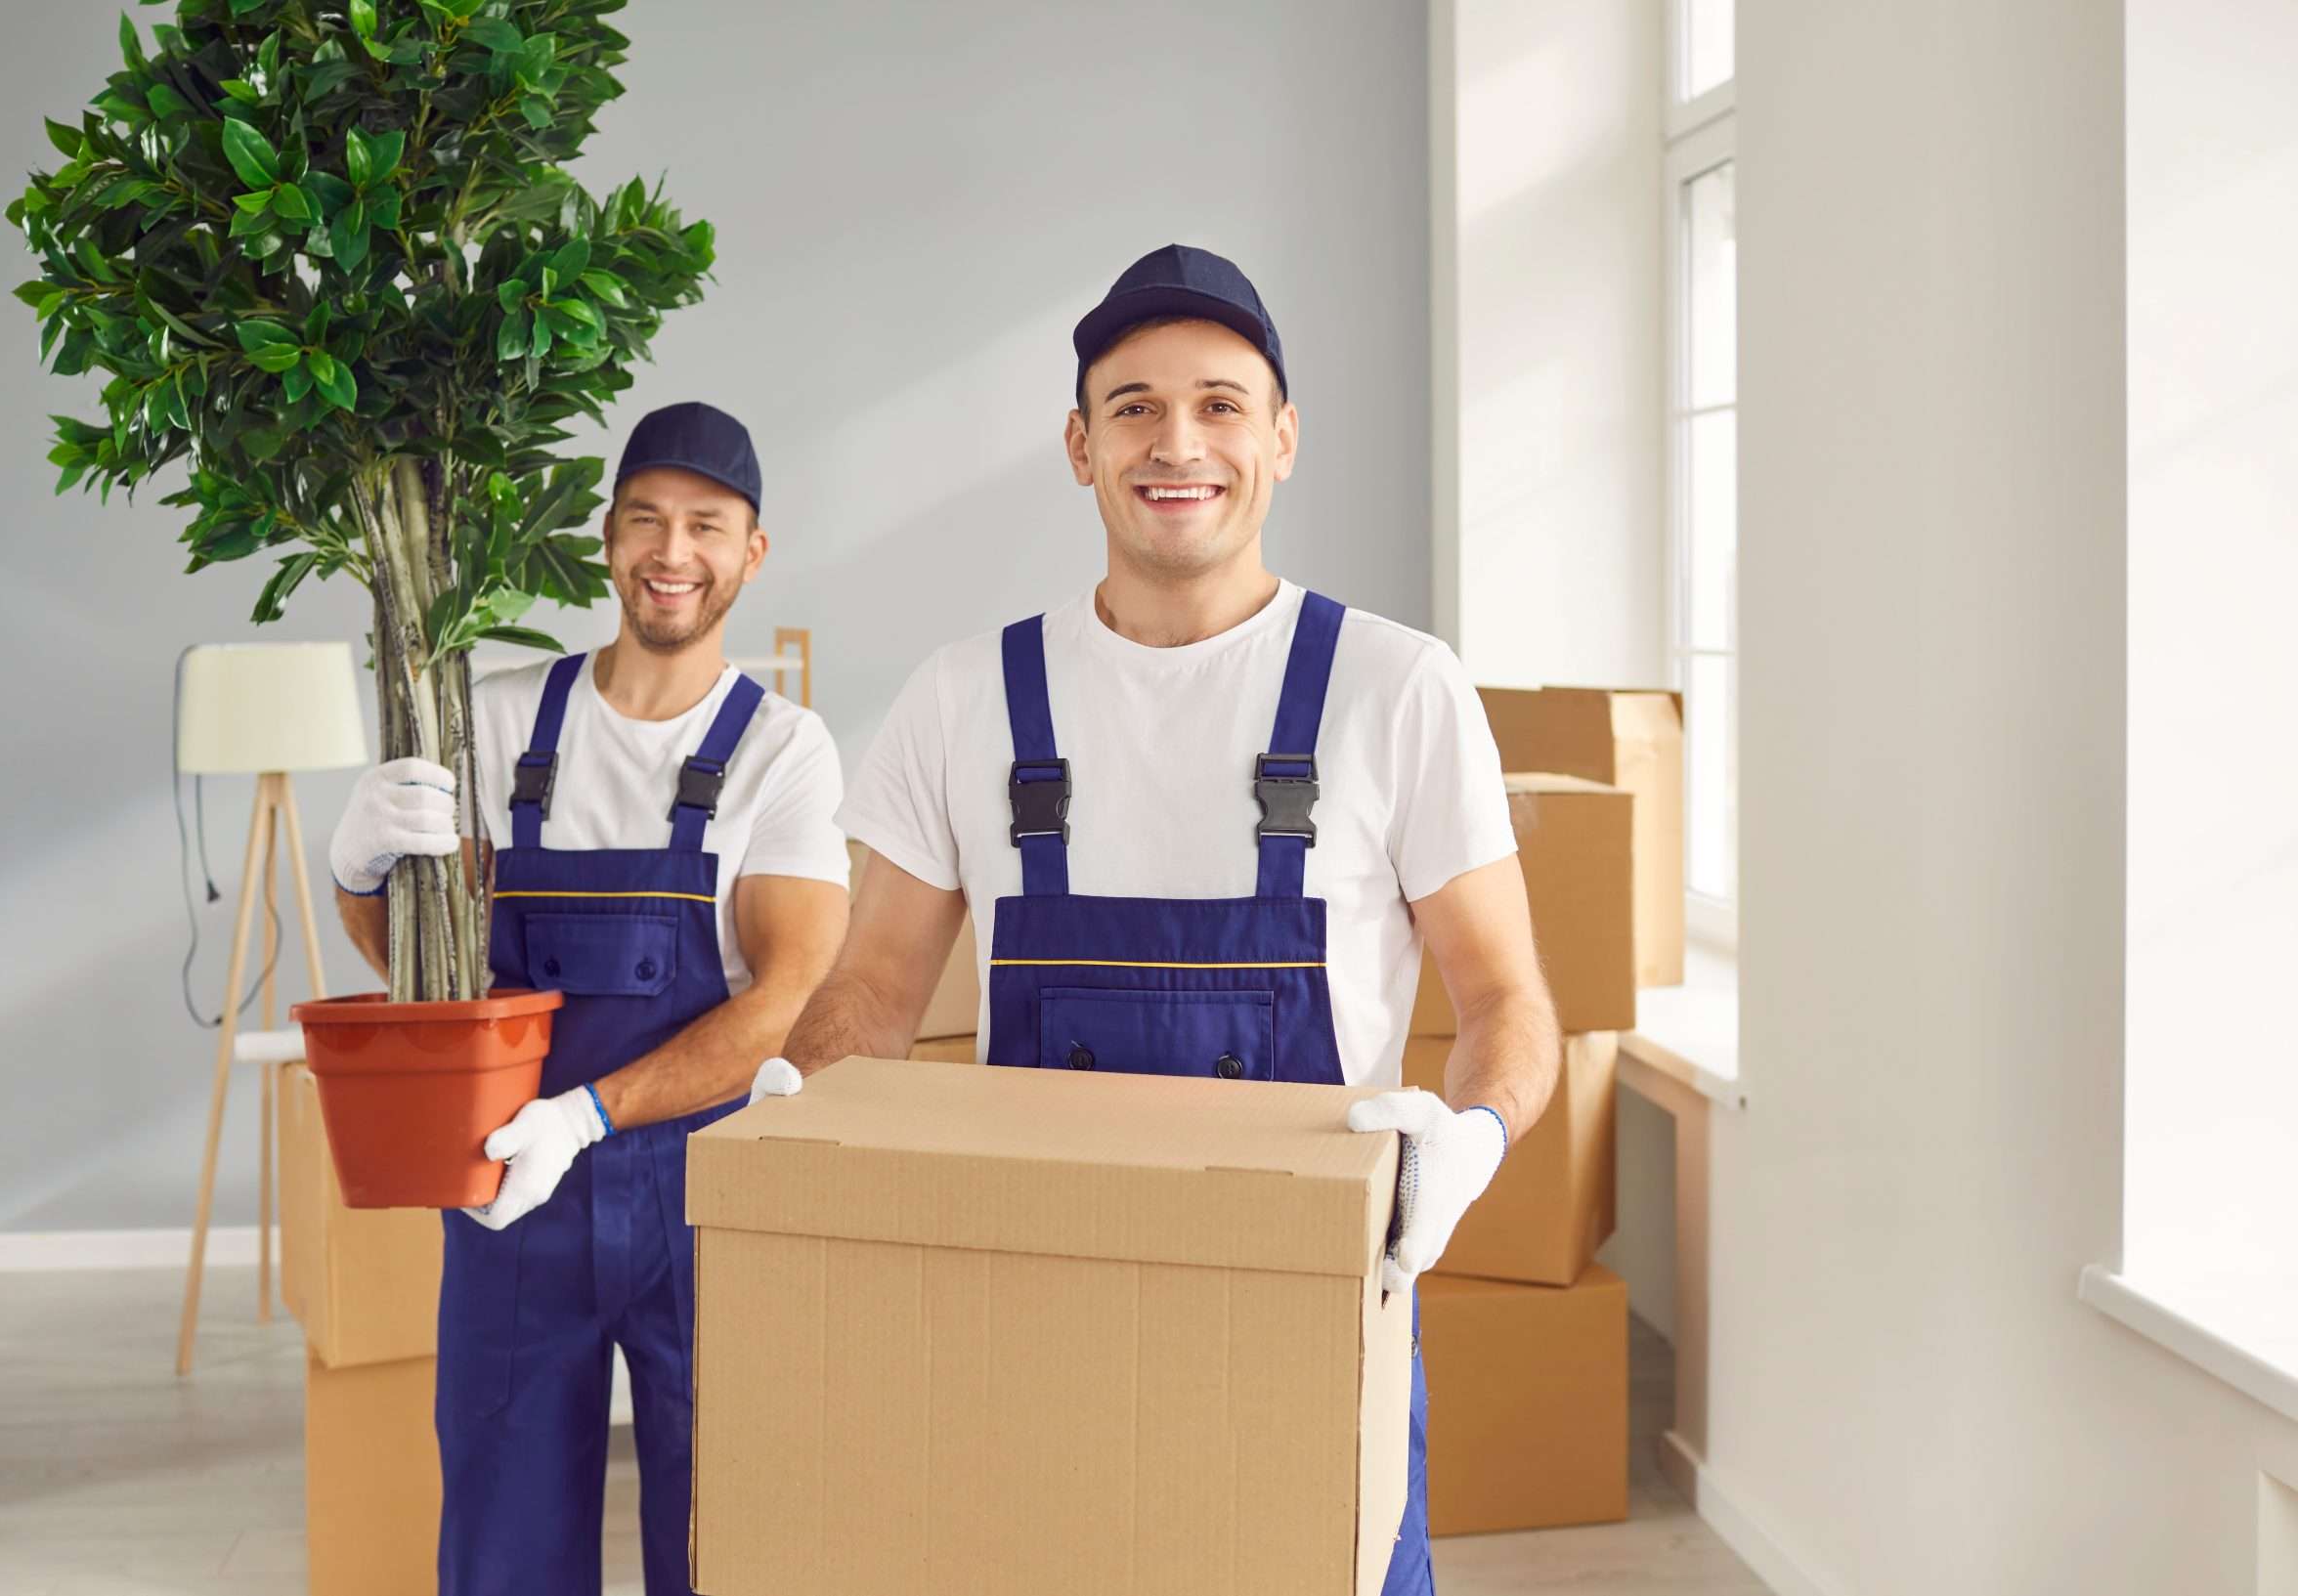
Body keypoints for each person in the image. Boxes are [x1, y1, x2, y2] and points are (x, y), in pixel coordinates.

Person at [768, 246, 1561, 1593]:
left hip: (1312, 1320)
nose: (1176, 443)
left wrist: (1472, 1140)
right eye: (1133, 407)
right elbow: (875, 992)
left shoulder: (1397, 688)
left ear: (1282, 438)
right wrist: (804, 1117)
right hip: (1027, 1325)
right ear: (1080, 447)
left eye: (1219, 405)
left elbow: (1506, 1001)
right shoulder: (965, 698)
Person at [325, 402, 851, 1596]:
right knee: (502, 1540)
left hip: (705, 1197)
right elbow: (428, 975)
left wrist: (588, 1116)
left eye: (706, 526)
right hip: (509, 1190)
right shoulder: (498, 718)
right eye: (646, 520)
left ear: (752, 551)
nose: (673, 552)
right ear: (607, 537)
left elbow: (783, 1000)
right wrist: (356, 874)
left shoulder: (783, 750)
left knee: (723, 1534)